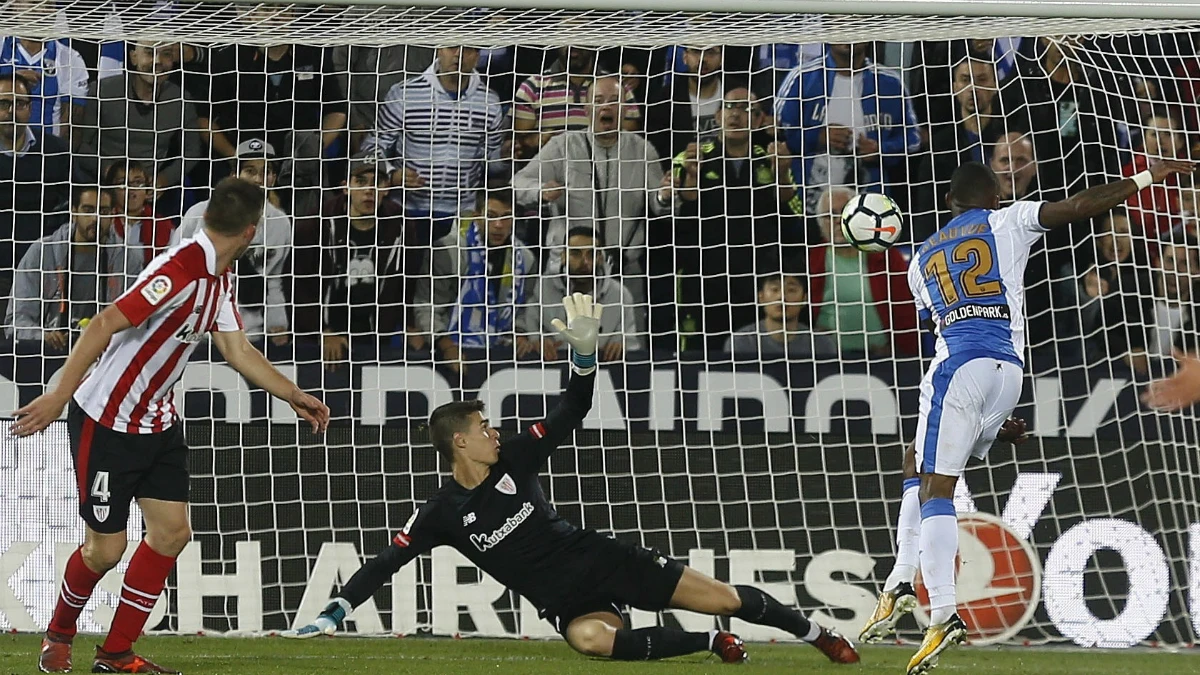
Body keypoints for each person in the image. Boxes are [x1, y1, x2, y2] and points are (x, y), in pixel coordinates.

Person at [282, 294, 859, 666]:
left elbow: (572, 408)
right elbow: (386, 561)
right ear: (459, 440)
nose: (494, 429)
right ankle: (709, 645)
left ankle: (819, 636)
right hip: (566, 600)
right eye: (484, 426)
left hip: (602, 560)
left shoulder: (515, 457)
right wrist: (336, 609)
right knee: (590, 642)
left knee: (727, 599)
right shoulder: (442, 511)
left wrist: (583, 355)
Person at [857, 158, 1195, 675]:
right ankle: (902, 577)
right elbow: (1081, 206)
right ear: (993, 197)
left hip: (959, 363)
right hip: (1009, 372)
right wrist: (1148, 175)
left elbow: (938, 322)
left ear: (950, 201)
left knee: (935, 486)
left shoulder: (919, 260)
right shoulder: (1008, 218)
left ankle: (941, 612)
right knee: (917, 458)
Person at [13, 177, 330, 675]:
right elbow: (103, 323)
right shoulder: (177, 269)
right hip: (108, 421)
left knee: (171, 534)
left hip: (158, 422)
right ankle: (58, 634)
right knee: (106, 550)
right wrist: (57, 396)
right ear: (252, 231)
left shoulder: (219, 276)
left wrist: (292, 394)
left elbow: (237, 348)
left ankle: (115, 654)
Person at [4, 186, 143, 346]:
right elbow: (15, 320)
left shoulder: (128, 261)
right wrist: (43, 337)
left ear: (112, 215)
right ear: (74, 213)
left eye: (103, 211)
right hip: (45, 353)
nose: (95, 218)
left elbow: (135, 322)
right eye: (88, 210)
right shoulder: (42, 251)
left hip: (103, 355)